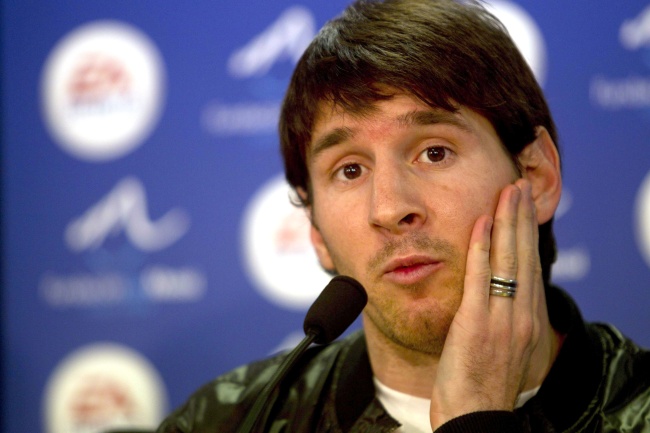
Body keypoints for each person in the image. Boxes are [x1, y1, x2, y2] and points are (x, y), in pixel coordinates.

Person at [157, 0, 650, 431]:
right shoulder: (226, 423)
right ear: (316, 230)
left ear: (537, 176)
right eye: (350, 170)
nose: (390, 209)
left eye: (434, 152)